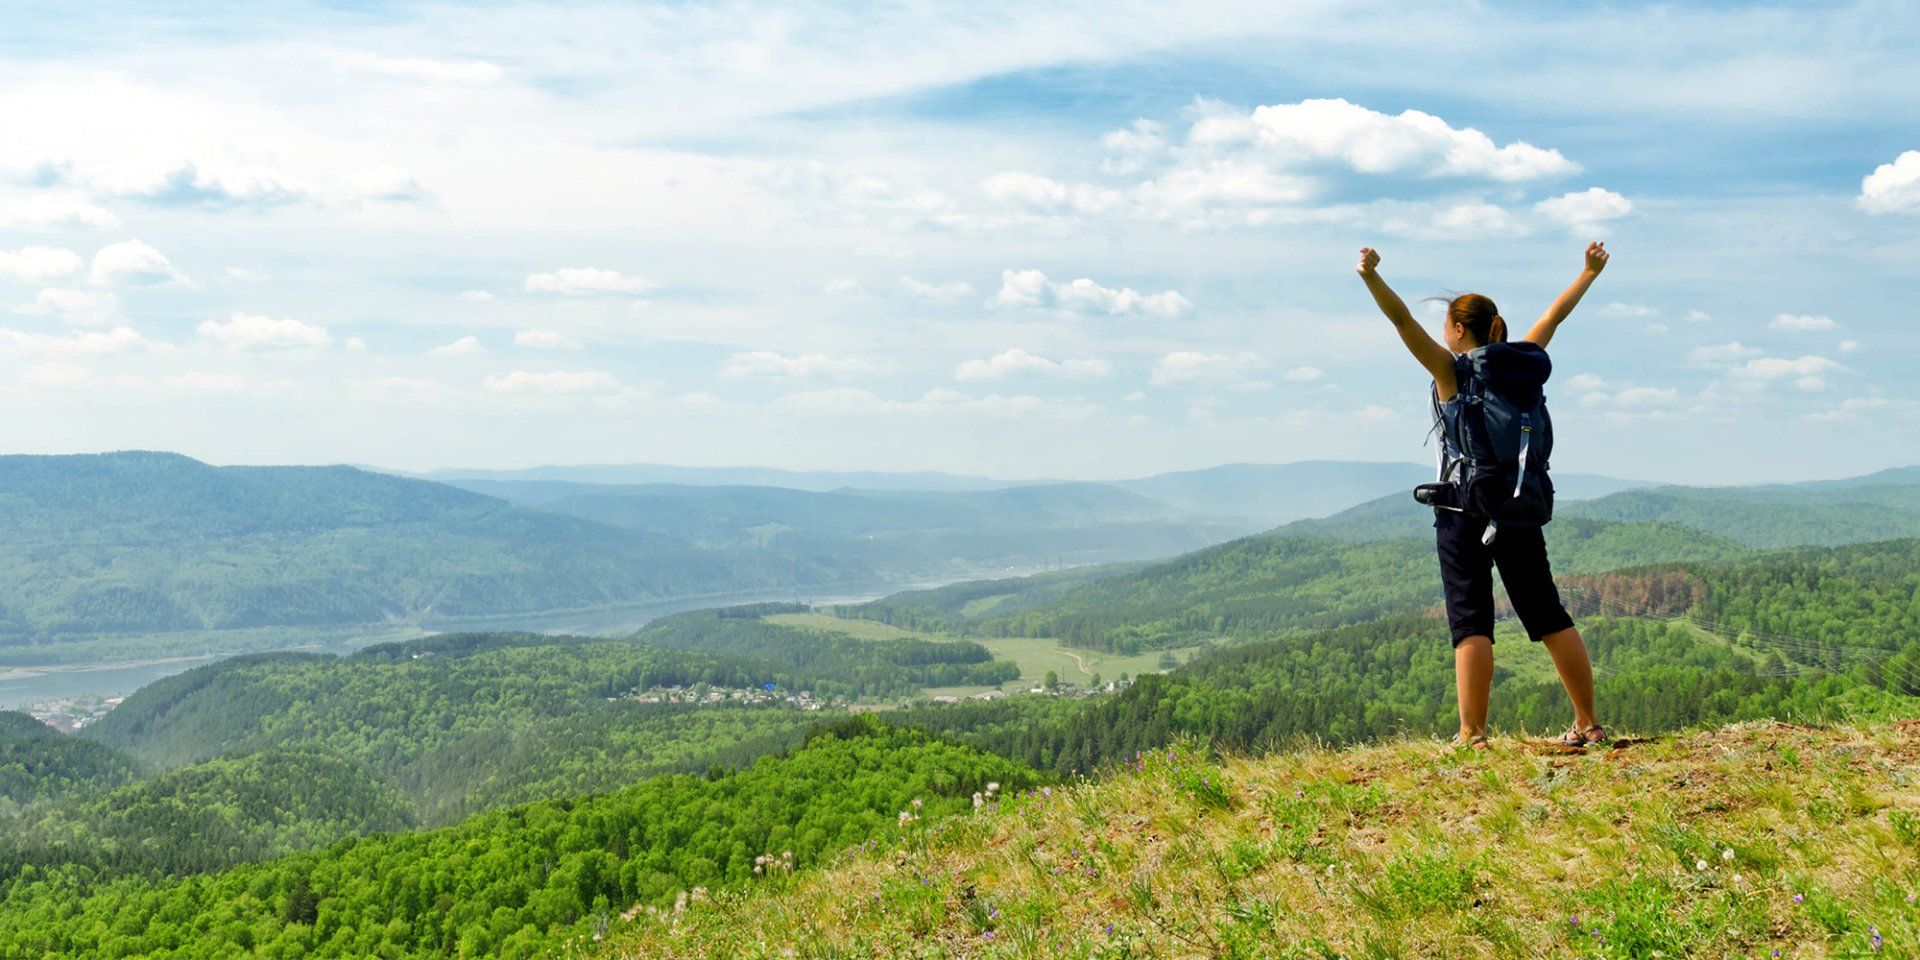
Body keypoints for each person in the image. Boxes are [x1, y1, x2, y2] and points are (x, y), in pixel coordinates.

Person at [1355, 242, 1612, 750]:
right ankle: (1588, 723)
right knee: (1547, 613)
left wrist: (1370, 278)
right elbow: (1552, 317)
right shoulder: (1523, 364)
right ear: (1496, 327)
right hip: (1517, 503)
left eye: (1447, 326)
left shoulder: (1450, 371)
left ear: (1456, 330)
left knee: (1471, 621)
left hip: (1461, 510)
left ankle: (1472, 735)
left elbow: (1402, 321)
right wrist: (1587, 272)